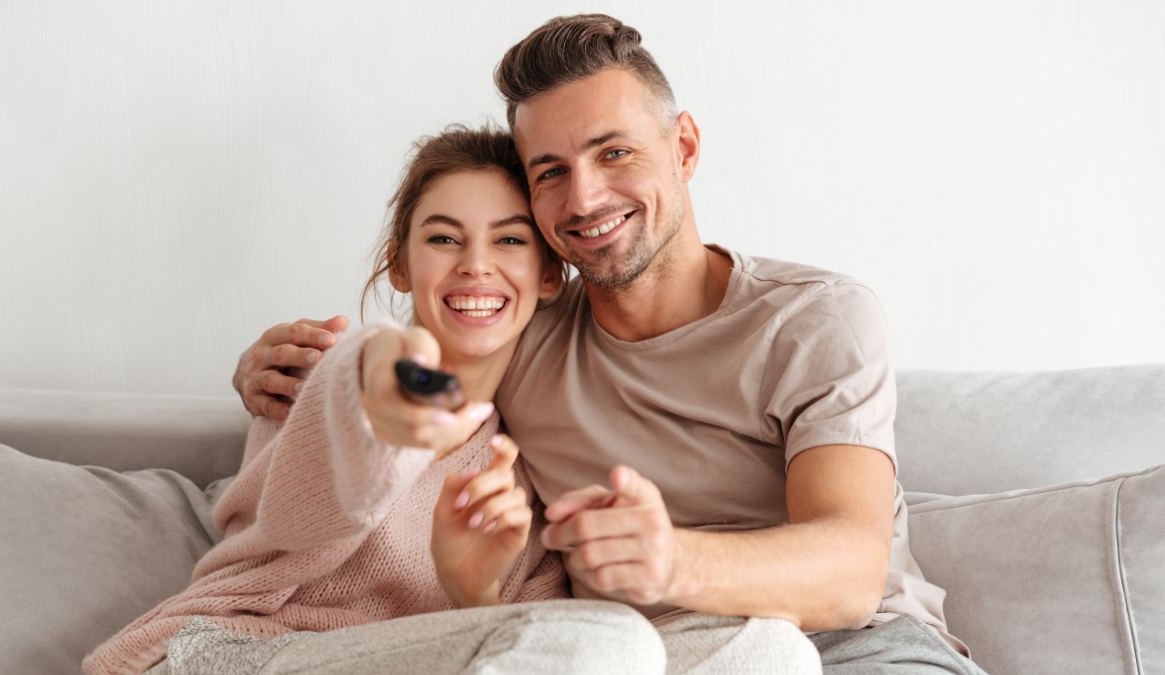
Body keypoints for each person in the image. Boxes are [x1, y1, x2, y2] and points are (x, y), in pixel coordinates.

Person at [234, 14, 986, 675]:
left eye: (613, 153)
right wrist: (279, 367)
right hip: (639, 657)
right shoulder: (525, 332)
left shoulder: (813, 320)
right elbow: (408, 382)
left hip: (855, 648)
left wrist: (670, 558)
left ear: (683, 146)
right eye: (550, 172)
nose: (584, 198)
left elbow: (851, 572)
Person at [84, 126, 676, 675]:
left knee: (599, 638)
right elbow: (350, 417)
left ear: (548, 275)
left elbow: (527, 644)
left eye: (510, 240)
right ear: (399, 264)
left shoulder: (520, 479)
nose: (475, 264)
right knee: (611, 638)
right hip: (222, 654)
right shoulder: (312, 381)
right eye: (444, 238)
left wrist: (472, 591)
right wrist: (391, 391)